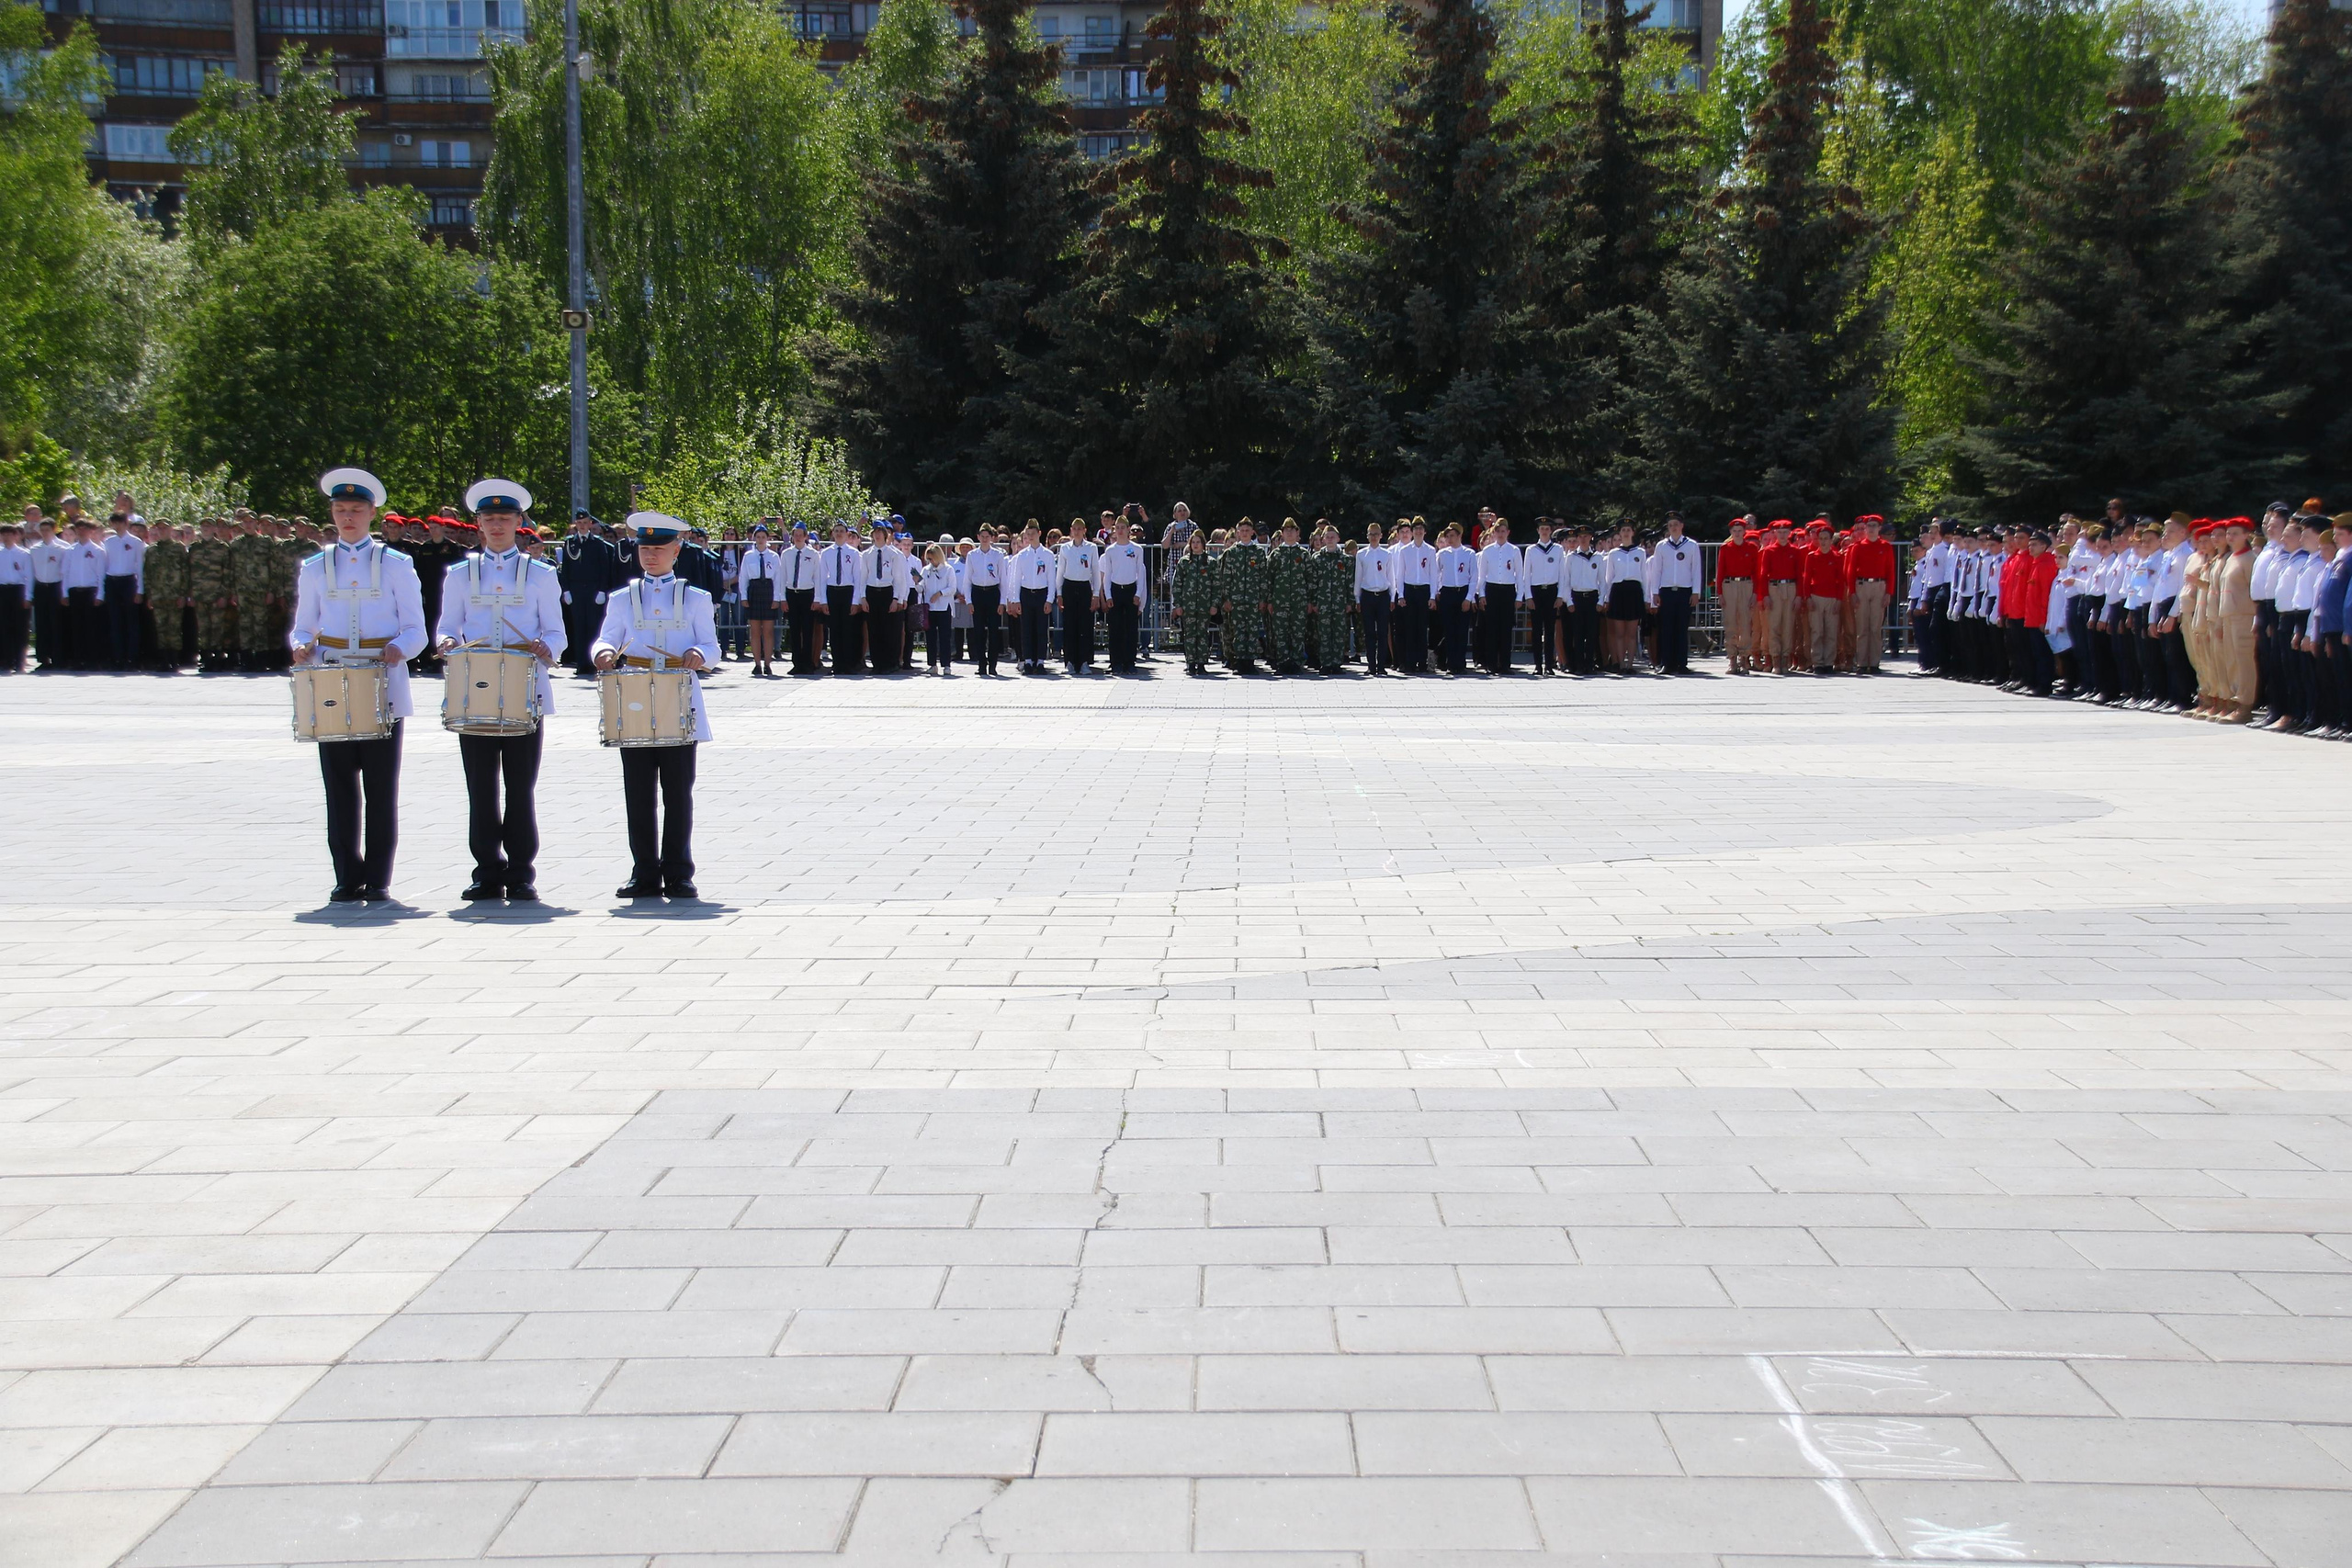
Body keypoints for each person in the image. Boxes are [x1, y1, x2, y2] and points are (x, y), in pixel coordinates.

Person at [288, 468, 428, 903]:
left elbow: (416, 629)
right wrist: (299, 645)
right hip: (332, 678)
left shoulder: (396, 563)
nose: (348, 517)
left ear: (372, 514)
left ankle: (379, 876)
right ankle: (346, 875)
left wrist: (399, 649)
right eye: (340, 510)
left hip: (381, 679)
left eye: (356, 510)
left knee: (381, 786)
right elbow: (303, 625)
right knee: (339, 785)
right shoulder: (315, 566)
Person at [435, 479, 565, 902]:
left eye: (504, 519)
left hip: (524, 685)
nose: (496, 526)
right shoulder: (460, 573)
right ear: (478, 524)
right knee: (481, 786)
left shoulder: (540, 573)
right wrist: (447, 644)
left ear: (517, 523)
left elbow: (556, 631)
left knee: (520, 785)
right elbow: (446, 626)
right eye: (488, 519)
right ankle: (486, 870)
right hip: (475, 686)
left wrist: (549, 649)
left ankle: (522, 871)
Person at [593, 513, 718, 898]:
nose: (651, 556)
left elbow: (711, 646)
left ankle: (679, 871)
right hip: (634, 696)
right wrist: (604, 652)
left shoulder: (696, 598)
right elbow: (604, 638)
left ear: (676, 551)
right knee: (638, 790)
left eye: (659, 549)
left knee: (679, 790)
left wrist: (699, 653)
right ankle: (644, 871)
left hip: (679, 694)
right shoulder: (622, 598)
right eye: (644, 549)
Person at [1646, 513, 1702, 674]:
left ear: (1682, 526)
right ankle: (1666, 663)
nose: (1674, 528)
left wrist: (1696, 592)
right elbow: (1657, 571)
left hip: (1685, 591)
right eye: (1670, 525)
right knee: (1666, 628)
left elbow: (1696, 570)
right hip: (1667, 591)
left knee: (1681, 628)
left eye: (1676, 524)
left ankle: (1681, 663)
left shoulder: (1691, 545)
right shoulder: (1662, 546)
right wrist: (1654, 593)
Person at [1219, 517, 1272, 673]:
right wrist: (1226, 599)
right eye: (1242, 531)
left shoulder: (1259, 553)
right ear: (1238, 533)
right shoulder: (1232, 553)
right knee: (1238, 631)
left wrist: (1263, 599)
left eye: (1247, 531)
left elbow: (1264, 578)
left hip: (1253, 599)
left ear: (1252, 532)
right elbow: (1226, 578)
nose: (1245, 533)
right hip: (1236, 600)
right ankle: (1240, 661)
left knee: (1252, 631)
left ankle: (1250, 661)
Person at [1097, 516, 1149, 672]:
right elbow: (1107, 575)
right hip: (1115, 590)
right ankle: (1116, 662)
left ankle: (1130, 662)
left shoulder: (1137, 549)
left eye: (1123, 527)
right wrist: (1108, 596)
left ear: (1128, 530)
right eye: (1117, 527)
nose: (1120, 530)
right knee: (1115, 628)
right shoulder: (1110, 550)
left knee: (1131, 628)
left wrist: (1138, 593)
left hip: (1131, 589)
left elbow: (1140, 573)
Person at [1472, 517, 1522, 674]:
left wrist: (1519, 596)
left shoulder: (1514, 551)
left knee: (1506, 629)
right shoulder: (1487, 551)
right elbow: (1482, 576)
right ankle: (1491, 664)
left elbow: (1519, 575)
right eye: (1498, 531)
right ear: (1493, 533)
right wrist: (1481, 595)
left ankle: (1505, 664)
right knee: (1491, 629)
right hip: (1492, 590)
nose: (1500, 534)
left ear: (1508, 532)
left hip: (1507, 590)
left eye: (1503, 531)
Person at [60, 515, 107, 670]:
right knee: (76, 627)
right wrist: (64, 593)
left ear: (91, 531)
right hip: (74, 591)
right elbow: (65, 573)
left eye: (84, 529)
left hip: (90, 591)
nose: (81, 532)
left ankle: (92, 660)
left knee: (91, 627)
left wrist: (100, 595)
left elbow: (101, 574)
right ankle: (78, 659)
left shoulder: (97, 550)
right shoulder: (70, 551)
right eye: (78, 529)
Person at [144, 513, 191, 671]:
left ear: (171, 529)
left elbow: (185, 572)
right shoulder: (151, 551)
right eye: (160, 528)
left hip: (174, 594)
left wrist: (183, 594)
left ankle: (174, 659)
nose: (162, 531)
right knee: (160, 628)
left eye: (165, 528)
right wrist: (149, 595)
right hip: (158, 595)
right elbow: (147, 574)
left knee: (174, 627)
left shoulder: (178, 548)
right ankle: (163, 659)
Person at [1007, 521, 1056, 672]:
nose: (1030, 537)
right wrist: (1015, 600)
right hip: (1026, 594)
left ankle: (1040, 661)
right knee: (1026, 629)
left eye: (1033, 534)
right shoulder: (1022, 555)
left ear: (1039, 534)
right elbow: (1016, 579)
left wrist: (1049, 599)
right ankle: (1028, 661)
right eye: (1028, 534)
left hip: (1041, 594)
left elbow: (1051, 579)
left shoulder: (1048, 554)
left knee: (1041, 629)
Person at [1800, 525, 1848, 675]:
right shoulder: (1812, 556)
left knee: (1831, 632)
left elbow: (1840, 580)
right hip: (1816, 597)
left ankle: (1828, 662)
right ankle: (1818, 662)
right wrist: (1808, 597)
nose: (1823, 542)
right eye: (1821, 539)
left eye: (1826, 539)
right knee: (1817, 631)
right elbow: (1807, 579)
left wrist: (1839, 600)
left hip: (1832, 598)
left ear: (1831, 540)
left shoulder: (1837, 557)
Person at [1056, 517, 1102, 673]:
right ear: (1071, 530)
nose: (1076, 532)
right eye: (1074, 529)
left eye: (1079, 529)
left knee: (1085, 625)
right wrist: (1059, 592)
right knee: (1069, 625)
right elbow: (1060, 571)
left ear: (1084, 531)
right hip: (1069, 586)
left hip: (1084, 587)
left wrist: (1096, 594)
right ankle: (1069, 661)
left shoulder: (1091, 548)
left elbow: (1095, 571)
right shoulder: (1065, 548)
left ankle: (1084, 661)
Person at [100, 512, 145, 671]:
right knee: (115, 621)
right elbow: (104, 566)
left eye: (120, 522)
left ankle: (132, 658)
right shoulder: (108, 542)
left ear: (126, 523)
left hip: (129, 581)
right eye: (114, 522)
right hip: (113, 581)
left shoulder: (135, 542)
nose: (117, 525)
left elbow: (139, 566)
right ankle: (117, 657)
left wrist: (140, 590)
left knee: (131, 622)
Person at [736, 523, 783, 677]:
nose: (761, 540)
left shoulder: (774, 556)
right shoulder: (749, 556)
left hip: (768, 590)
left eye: (763, 537)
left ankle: (768, 663)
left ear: (767, 538)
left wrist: (777, 598)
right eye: (758, 537)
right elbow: (743, 578)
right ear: (754, 538)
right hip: (754, 590)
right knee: (755, 631)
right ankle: (757, 664)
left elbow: (778, 579)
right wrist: (744, 597)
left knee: (768, 631)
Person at [1170, 527, 1219, 675]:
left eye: (1199, 542)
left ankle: (1202, 663)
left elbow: (1216, 585)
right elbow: (1177, 584)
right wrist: (1177, 605)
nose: (1196, 545)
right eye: (1194, 542)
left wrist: (1214, 604)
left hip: (1205, 606)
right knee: (1190, 635)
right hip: (1188, 606)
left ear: (1203, 544)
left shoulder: (1210, 563)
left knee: (1203, 634)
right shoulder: (1184, 562)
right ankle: (1191, 663)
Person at [775, 522, 821, 676]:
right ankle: (797, 663)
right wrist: (782, 598)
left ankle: (808, 663)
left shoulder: (813, 554)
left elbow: (818, 577)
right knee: (794, 630)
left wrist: (817, 599)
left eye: (801, 535)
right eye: (795, 535)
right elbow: (782, 577)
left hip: (807, 594)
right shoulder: (786, 554)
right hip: (792, 594)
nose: (798, 537)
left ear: (806, 536)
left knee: (808, 631)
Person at [820, 521, 865, 672]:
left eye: (842, 531)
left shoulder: (853, 554)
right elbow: (822, 578)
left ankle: (849, 664)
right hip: (832, 591)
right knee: (835, 630)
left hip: (847, 592)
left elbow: (857, 578)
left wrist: (855, 601)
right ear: (833, 533)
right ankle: (837, 664)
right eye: (836, 531)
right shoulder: (826, 553)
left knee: (848, 630)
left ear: (847, 534)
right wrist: (823, 601)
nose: (839, 533)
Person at [1391, 518, 1434, 674]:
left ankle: (1422, 663)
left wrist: (1432, 597)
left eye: (1421, 529)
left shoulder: (1430, 550)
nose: (1418, 532)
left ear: (1425, 532)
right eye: (1415, 529)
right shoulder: (1405, 550)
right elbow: (1400, 575)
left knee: (1421, 629)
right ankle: (1409, 663)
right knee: (1409, 629)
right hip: (1409, 590)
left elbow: (1433, 575)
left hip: (1423, 591)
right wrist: (1401, 595)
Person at [1601, 524, 1645, 672]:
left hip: (1634, 591)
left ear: (1633, 532)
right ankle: (1620, 664)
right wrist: (1605, 599)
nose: (1626, 533)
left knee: (1631, 632)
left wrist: (1647, 598)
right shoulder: (1614, 554)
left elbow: (1644, 576)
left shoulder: (1640, 552)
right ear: (1619, 534)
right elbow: (1609, 578)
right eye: (1623, 530)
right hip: (1618, 592)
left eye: (1628, 530)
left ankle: (1630, 665)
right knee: (1619, 632)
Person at [1309, 523, 1352, 674]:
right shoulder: (1317, 558)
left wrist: (1349, 602)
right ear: (1323, 539)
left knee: (1339, 633)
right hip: (1323, 603)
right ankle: (1326, 663)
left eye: (1332, 537)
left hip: (1340, 603)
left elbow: (1349, 583)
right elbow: (1313, 582)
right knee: (1324, 633)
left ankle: (1336, 663)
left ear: (1338, 538)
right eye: (1327, 537)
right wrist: (1313, 602)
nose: (1330, 540)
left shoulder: (1345, 560)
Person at [964, 525, 1007, 675]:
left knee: (994, 631)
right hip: (978, 593)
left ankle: (993, 665)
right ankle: (981, 664)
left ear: (992, 538)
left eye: (987, 536)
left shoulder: (998, 555)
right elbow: (967, 579)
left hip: (993, 593)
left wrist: (1002, 602)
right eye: (982, 536)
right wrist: (969, 600)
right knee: (978, 631)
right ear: (978, 537)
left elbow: (1003, 579)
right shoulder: (972, 555)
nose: (984, 539)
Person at [1353, 521, 1395, 675]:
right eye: (1371, 534)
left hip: (1383, 595)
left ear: (1381, 536)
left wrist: (1392, 597)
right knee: (1369, 632)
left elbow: (1391, 577)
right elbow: (1358, 577)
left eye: (1376, 534)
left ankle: (1382, 665)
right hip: (1368, 595)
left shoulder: (1387, 554)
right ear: (1367, 536)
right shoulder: (1362, 554)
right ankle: (1371, 665)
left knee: (1383, 632)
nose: (1374, 537)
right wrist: (1357, 599)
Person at [918, 542, 960, 673]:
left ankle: (946, 664)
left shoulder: (948, 569)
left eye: (932, 558)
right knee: (930, 637)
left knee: (944, 636)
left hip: (943, 607)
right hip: (930, 608)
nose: (930, 561)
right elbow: (921, 588)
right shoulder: (926, 570)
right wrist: (917, 582)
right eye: (928, 559)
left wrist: (940, 593)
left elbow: (952, 588)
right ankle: (932, 664)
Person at [0, 520, 28, 672]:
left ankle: (19, 660)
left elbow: (28, 576)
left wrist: (28, 596)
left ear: (15, 535)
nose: (6, 537)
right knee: (4, 626)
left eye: (9, 534)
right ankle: (7, 659)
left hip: (18, 590)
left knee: (19, 627)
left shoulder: (23, 553)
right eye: (3, 534)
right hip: (3, 589)